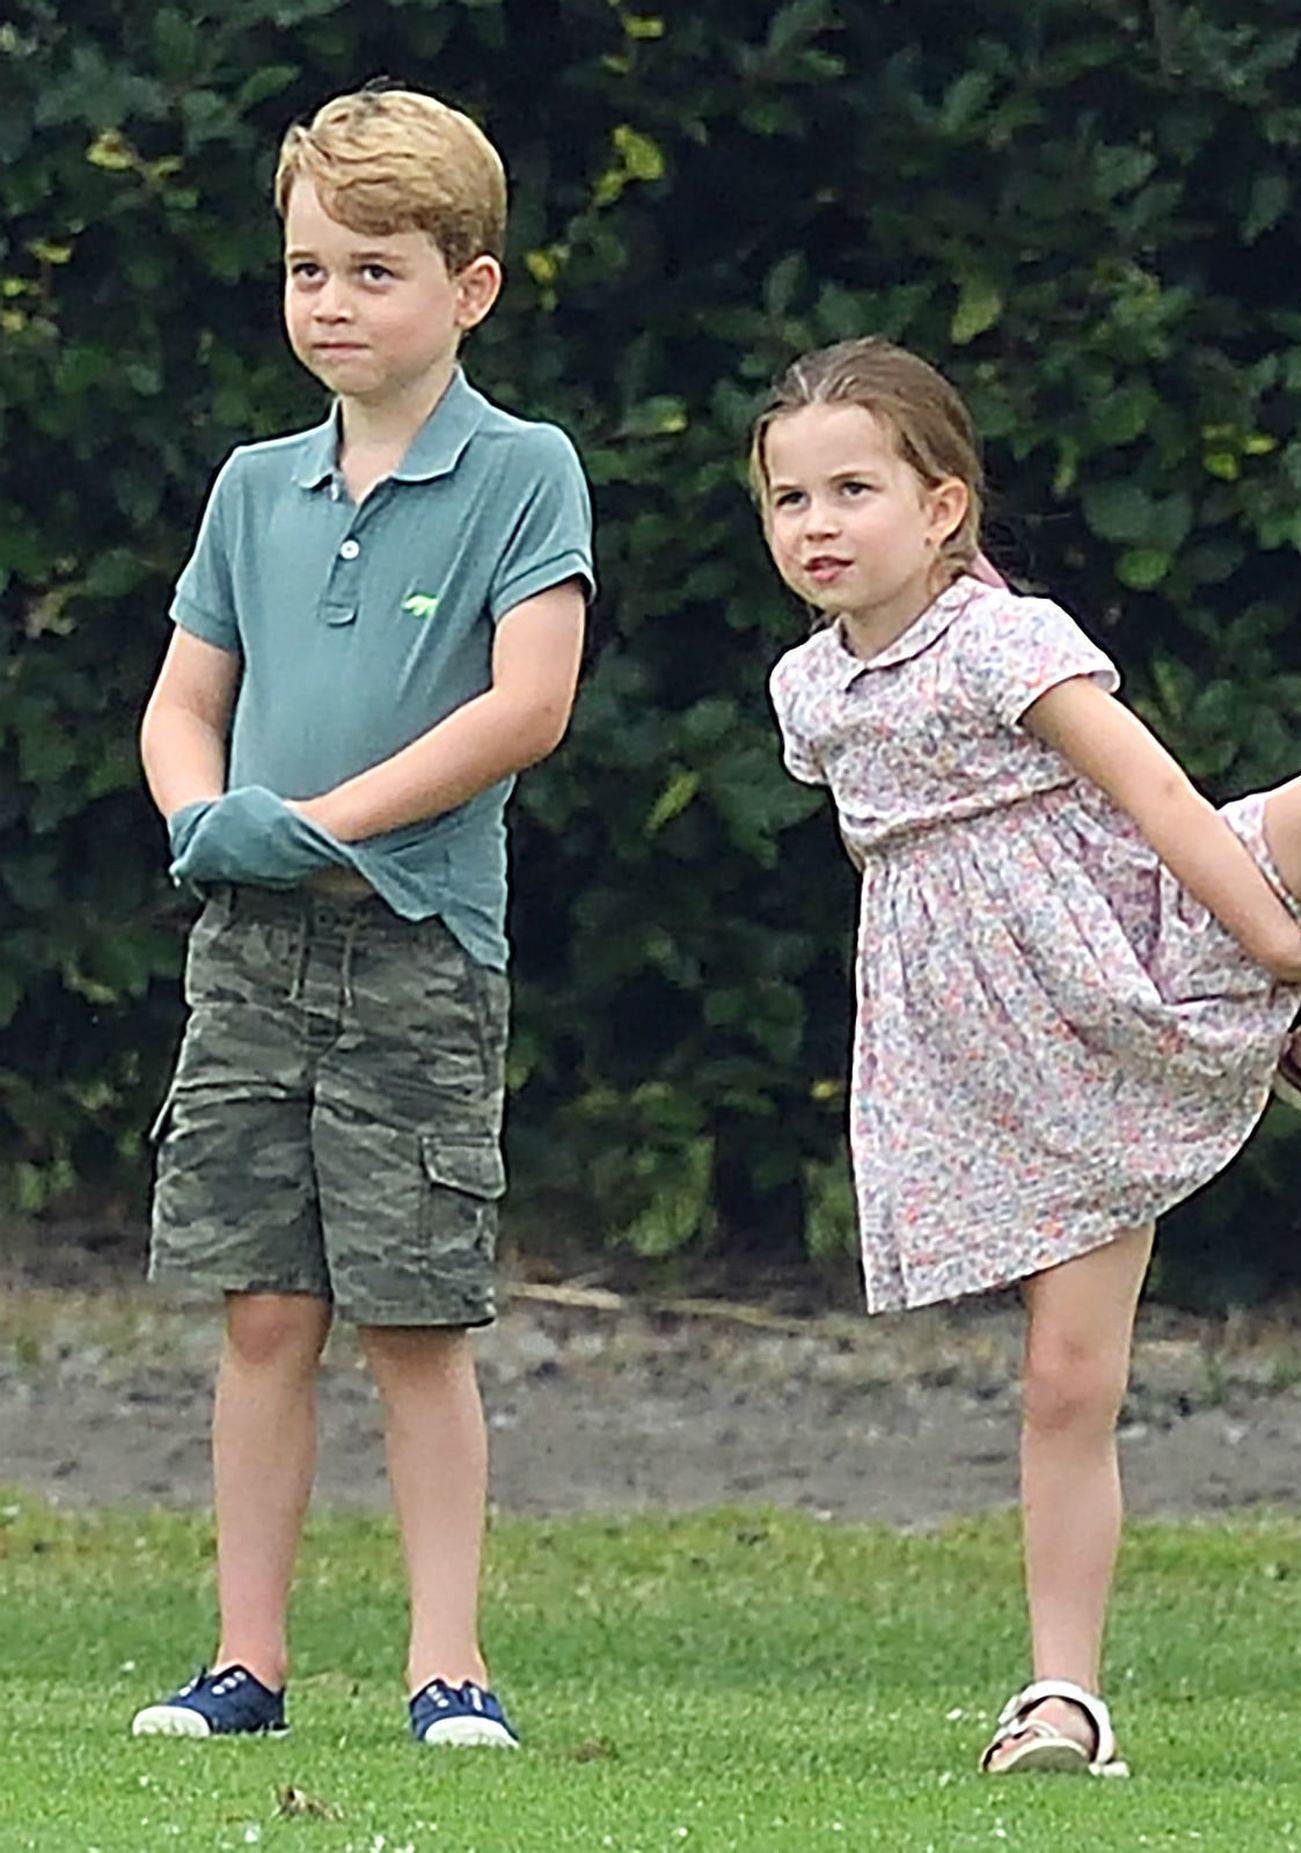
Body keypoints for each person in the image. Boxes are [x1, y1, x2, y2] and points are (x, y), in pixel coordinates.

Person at [756, 337, 1301, 1779]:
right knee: (1067, 1379)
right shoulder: (806, 693)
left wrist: (1278, 950)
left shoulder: (1005, 641)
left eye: (852, 490)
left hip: (1130, 951)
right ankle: (1062, 1699)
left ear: (943, 509)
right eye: (788, 499)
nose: (817, 525)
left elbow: (1153, 790)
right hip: (996, 1047)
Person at [131, 86, 592, 1748]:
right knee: (263, 1310)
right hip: (250, 950)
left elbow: (527, 705)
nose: (331, 302)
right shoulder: (252, 487)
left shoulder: (524, 470)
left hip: (420, 952)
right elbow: (183, 701)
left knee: (412, 1315)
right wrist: (202, 814)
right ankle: (243, 1664)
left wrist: (326, 820)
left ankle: (446, 1665)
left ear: (470, 288)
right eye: (308, 269)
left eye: (374, 271)